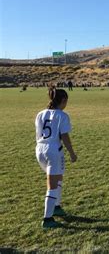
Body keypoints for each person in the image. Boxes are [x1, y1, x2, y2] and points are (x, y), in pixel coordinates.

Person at [35, 87, 77, 228]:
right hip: (53, 150)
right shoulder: (62, 115)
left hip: (40, 148)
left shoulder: (40, 114)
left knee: (58, 178)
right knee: (52, 185)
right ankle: (47, 219)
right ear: (63, 100)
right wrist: (72, 153)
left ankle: (57, 206)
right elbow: (64, 136)